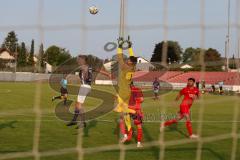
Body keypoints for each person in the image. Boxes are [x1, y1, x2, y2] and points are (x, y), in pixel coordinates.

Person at [67, 55, 111, 129]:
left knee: (79, 105)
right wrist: (108, 74)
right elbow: (99, 70)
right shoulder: (90, 67)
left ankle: (81, 122)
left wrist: (86, 76)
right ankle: (75, 120)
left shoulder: (84, 67)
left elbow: (86, 73)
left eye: (79, 59)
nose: (78, 61)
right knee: (77, 104)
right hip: (86, 86)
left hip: (84, 86)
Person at [114, 36, 138, 134]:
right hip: (128, 90)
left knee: (118, 109)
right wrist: (130, 47)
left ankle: (135, 113)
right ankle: (129, 128)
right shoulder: (133, 67)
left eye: (128, 60)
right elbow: (133, 57)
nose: (127, 59)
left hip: (123, 91)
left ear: (130, 62)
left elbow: (119, 57)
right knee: (124, 113)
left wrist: (119, 46)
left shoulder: (125, 67)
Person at [120, 82, 144, 148]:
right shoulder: (137, 89)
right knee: (139, 127)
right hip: (136, 110)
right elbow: (142, 99)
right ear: (133, 84)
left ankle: (125, 136)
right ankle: (138, 143)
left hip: (127, 109)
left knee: (124, 122)